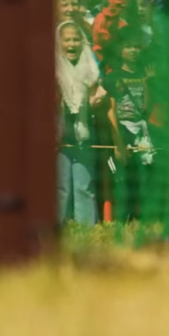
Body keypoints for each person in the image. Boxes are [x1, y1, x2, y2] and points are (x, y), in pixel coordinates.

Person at [56, 21, 117, 226]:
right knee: (61, 185)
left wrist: (93, 101)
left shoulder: (91, 68)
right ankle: (59, 225)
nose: (72, 44)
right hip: (59, 135)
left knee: (84, 183)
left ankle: (87, 226)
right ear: (59, 42)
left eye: (76, 39)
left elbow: (99, 96)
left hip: (84, 132)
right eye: (67, 40)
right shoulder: (52, 68)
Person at [104, 28, 155, 218]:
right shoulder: (113, 77)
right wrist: (117, 142)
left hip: (142, 129)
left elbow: (146, 109)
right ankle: (121, 217)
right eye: (128, 47)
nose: (133, 50)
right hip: (122, 129)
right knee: (122, 176)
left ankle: (142, 217)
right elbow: (111, 110)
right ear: (120, 50)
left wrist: (148, 83)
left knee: (144, 174)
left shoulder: (144, 74)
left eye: (136, 47)